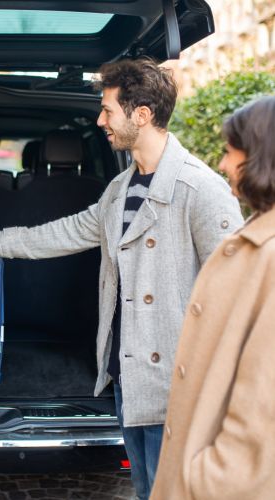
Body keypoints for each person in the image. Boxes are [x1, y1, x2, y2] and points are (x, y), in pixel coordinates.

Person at [0, 58, 244, 499]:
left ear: (141, 114)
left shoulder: (200, 190)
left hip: (179, 385)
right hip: (127, 374)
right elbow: (69, 231)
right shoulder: (120, 188)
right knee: (145, 488)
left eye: (107, 110)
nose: (100, 120)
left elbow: (238, 295)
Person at [150, 96, 275, 499]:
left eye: (230, 152)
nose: (222, 164)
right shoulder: (255, 237)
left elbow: (264, 404)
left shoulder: (269, 255)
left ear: (261, 157)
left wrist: (207, 479)